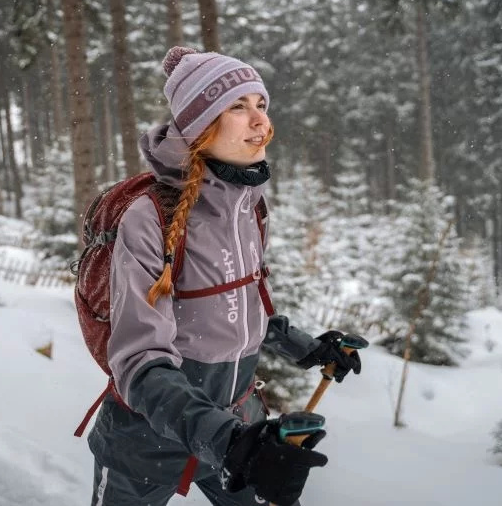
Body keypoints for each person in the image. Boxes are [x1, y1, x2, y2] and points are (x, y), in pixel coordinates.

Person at [87, 46, 363, 506]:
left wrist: (309, 349)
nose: (260, 121)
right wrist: (228, 441)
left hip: (238, 427)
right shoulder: (150, 217)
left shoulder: (249, 207)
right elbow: (138, 359)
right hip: (146, 443)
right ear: (200, 125)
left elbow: (238, 313)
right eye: (238, 106)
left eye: (261, 104)